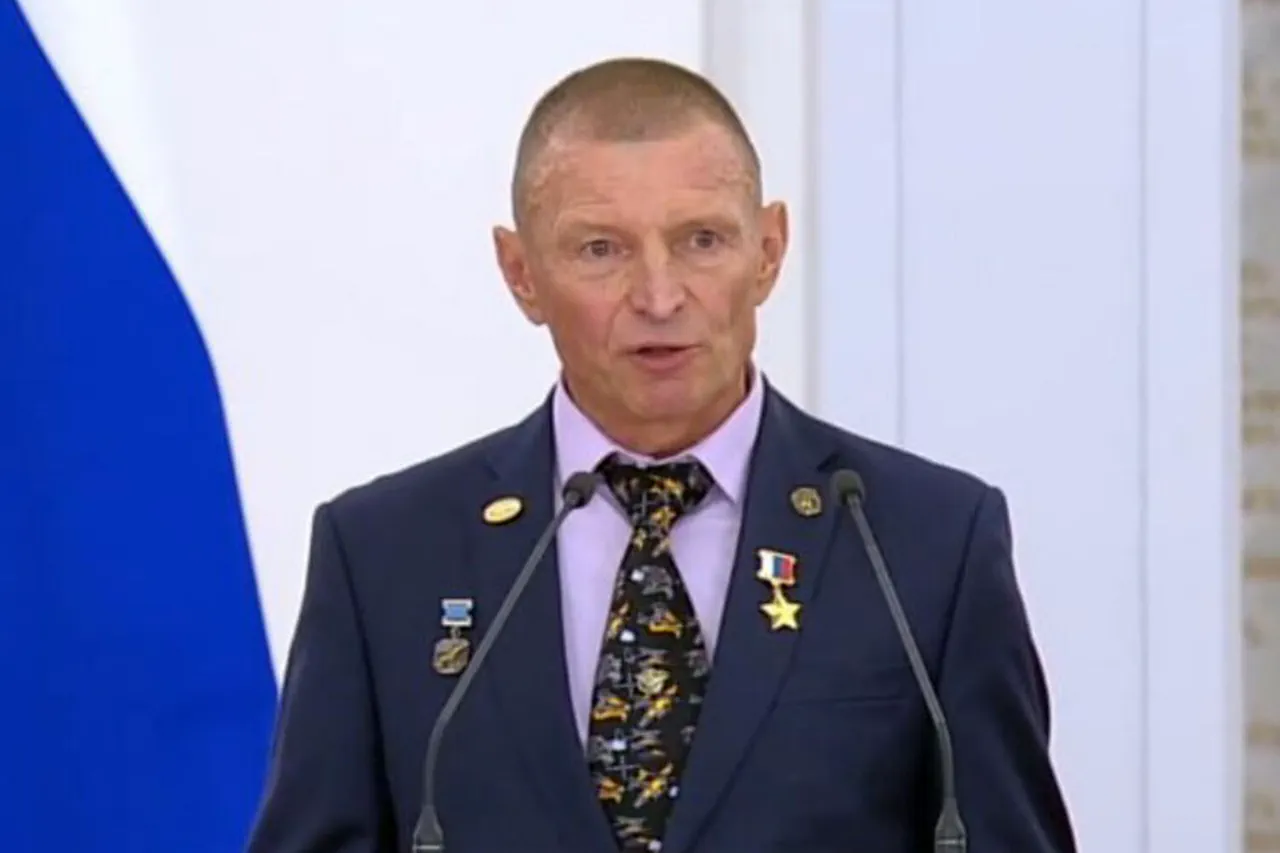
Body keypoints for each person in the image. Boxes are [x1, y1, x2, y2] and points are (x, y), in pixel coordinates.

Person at [245, 57, 1076, 853]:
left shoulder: (926, 544)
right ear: (520, 272)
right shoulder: (385, 555)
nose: (659, 295)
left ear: (769, 250)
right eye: (600, 249)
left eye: (702, 240)